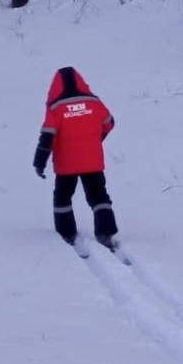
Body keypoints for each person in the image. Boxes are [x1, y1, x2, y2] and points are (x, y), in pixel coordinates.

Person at [33, 67, 120, 250]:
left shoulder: (56, 108)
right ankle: (106, 231)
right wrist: (96, 139)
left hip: (67, 164)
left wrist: (39, 162)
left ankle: (67, 233)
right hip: (93, 161)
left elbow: (47, 136)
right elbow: (109, 122)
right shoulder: (94, 102)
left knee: (63, 197)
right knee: (98, 196)